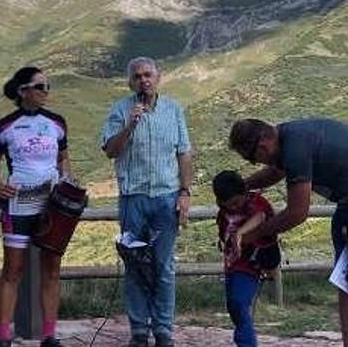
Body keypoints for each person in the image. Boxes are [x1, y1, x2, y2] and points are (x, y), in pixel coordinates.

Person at [228, 117, 348, 347]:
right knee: (346, 279)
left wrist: (253, 235)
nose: (254, 163)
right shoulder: (287, 138)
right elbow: (275, 172)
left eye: (251, 158)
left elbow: (297, 213)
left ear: (262, 145)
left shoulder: (295, 148)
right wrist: (241, 187)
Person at [100, 57, 194, 347]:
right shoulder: (120, 110)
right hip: (133, 199)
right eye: (137, 76)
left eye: (148, 75)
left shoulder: (174, 109)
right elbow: (110, 151)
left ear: (158, 77)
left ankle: (163, 330)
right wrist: (130, 125)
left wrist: (185, 192)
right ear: (131, 82)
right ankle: (139, 330)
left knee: (164, 266)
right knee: (135, 265)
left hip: (166, 198)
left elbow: (184, 153)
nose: (144, 80)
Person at [0, 66, 71, 347]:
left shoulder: (57, 122)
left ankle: (49, 334)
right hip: (18, 205)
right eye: (41, 86)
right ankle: (3, 337)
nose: (47, 92)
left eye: (48, 86)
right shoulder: (4, 125)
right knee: (13, 269)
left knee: (52, 268)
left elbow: (63, 159)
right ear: (24, 91)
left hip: (50, 205)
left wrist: (67, 181)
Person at [213, 170, 275, 347]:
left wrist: (241, 232)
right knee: (234, 306)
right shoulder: (223, 212)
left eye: (236, 202)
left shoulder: (254, 203)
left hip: (252, 263)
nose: (233, 207)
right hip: (232, 263)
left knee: (239, 302)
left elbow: (260, 216)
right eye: (228, 204)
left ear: (244, 193)